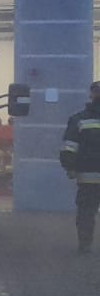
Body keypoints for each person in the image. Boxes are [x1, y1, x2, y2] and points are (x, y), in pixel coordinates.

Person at [59, 81, 100, 253]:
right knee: (86, 212)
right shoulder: (79, 119)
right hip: (88, 176)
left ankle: (85, 244)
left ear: (91, 95)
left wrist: (70, 167)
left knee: (86, 212)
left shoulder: (80, 119)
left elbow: (69, 147)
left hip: (88, 177)